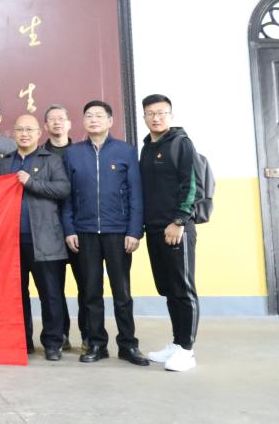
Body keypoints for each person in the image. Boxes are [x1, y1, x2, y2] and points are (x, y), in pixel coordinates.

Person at [62, 100, 149, 366]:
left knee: (122, 293)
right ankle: (96, 344)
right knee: (90, 293)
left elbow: (136, 194)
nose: (94, 120)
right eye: (89, 115)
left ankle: (128, 345)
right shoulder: (73, 153)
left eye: (99, 116)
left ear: (110, 121)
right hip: (85, 232)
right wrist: (69, 228)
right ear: (83, 122)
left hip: (118, 232)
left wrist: (134, 231)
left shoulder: (125, 151)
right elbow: (67, 196)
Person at [0, 114, 70, 361]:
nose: (24, 134)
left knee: (50, 294)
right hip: (11, 240)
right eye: (20, 130)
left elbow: (63, 189)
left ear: (39, 133)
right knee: (17, 294)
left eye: (29, 130)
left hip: (45, 238)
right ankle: (22, 341)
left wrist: (31, 182)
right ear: (13, 134)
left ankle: (53, 343)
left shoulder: (52, 160)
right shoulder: (5, 162)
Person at [139, 94, 200, 372]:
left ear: (171, 116)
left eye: (162, 113)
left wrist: (179, 220)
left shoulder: (181, 143)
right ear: (144, 117)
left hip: (176, 227)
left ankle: (187, 350)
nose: (156, 118)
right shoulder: (147, 147)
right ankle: (176, 344)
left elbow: (191, 184)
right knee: (168, 288)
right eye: (151, 113)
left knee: (183, 288)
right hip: (154, 228)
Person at [43, 104, 84, 351]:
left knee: (86, 284)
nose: (57, 123)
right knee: (53, 288)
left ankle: (89, 336)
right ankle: (61, 335)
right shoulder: (39, 155)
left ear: (69, 124)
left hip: (79, 228)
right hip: (48, 230)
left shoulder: (80, 153)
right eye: (52, 119)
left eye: (61, 118)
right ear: (45, 126)